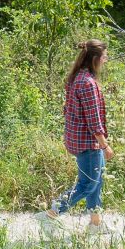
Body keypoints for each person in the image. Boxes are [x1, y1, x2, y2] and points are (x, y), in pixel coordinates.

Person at [52, 39, 110, 228]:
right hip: (87, 142)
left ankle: (95, 223)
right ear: (95, 59)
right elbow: (93, 120)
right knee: (88, 184)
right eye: (104, 57)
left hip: (79, 138)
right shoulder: (87, 83)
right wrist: (105, 145)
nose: (105, 60)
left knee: (97, 181)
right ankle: (53, 213)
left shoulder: (76, 77)